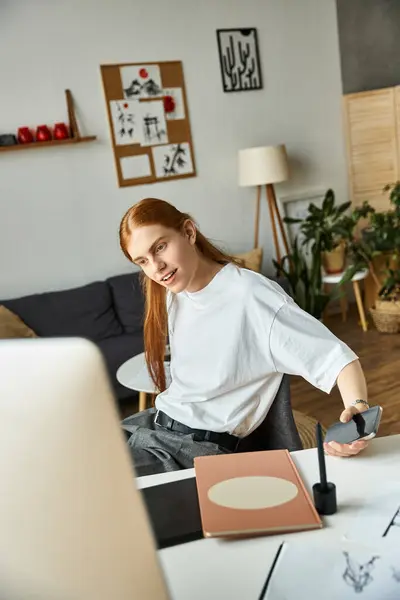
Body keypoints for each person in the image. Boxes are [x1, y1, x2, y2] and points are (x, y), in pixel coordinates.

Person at [119, 198, 370, 477]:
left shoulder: (251, 296)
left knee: (94, 480)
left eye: (160, 247)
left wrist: (357, 413)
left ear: (189, 232)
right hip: (156, 427)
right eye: (143, 261)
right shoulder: (174, 294)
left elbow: (337, 360)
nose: (156, 268)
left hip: (194, 450)